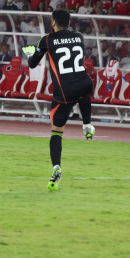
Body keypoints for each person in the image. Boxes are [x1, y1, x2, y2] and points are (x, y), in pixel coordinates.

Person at [23, 10, 94, 192]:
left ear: (53, 23)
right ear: (69, 22)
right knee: (84, 92)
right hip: (85, 85)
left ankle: (56, 168)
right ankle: (87, 125)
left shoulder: (47, 40)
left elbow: (32, 64)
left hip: (64, 92)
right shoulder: (79, 37)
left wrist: (31, 54)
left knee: (56, 132)